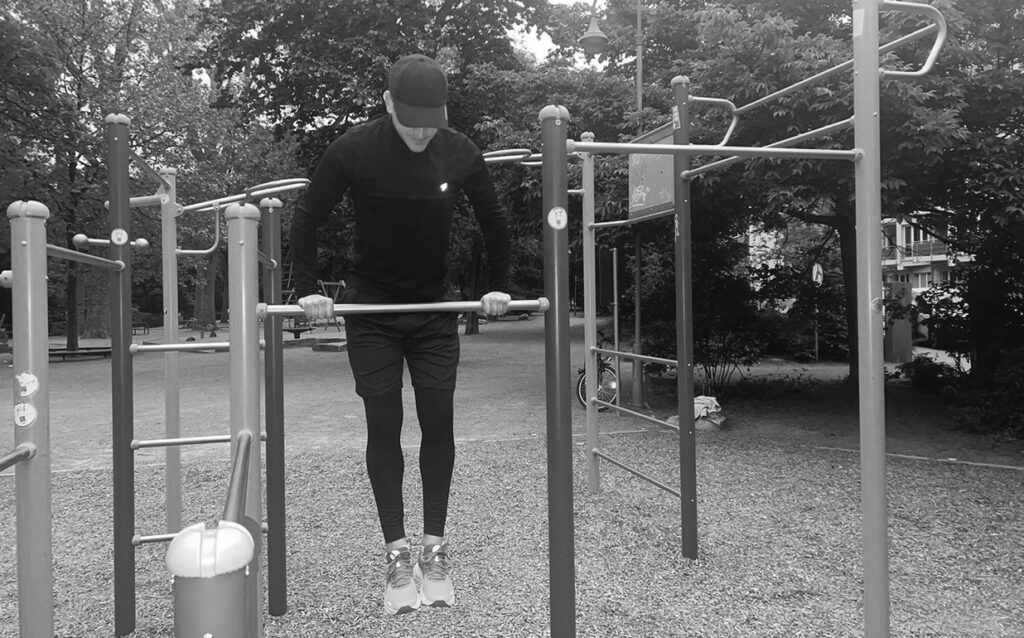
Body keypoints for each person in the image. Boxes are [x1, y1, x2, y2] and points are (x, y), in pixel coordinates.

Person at [288, 53, 511, 615]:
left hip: (433, 309)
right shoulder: (354, 149)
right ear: (388, 103)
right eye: (411, 121)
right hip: (372, 311)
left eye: (429, 123)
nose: (420, 133)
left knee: (438, 420)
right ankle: (396, 551)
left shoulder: (459, 150)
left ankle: (434, 549)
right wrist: (308, 289)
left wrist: (498, 286)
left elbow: (495, 221)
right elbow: (308, 216)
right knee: (383, 423)